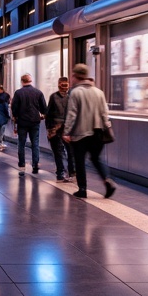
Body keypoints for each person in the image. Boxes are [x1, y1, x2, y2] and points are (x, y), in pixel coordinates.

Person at [63, 62, 117, 200]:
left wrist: (66, 131)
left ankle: (82, 189)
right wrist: (107, 127)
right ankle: (107, 180)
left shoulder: (75, 92)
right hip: (97, 133)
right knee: (96, 158)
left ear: (75, 76)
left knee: (79, 161)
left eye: (72, 76)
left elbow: (72, 114)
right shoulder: (99, 92)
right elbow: (105, 114)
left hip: (80, 134)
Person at [11, 73, 46, 174]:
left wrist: (16, 117)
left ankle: (22, 163)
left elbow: (14, 108)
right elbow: (44, 108)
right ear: (31, 81)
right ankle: (35, 164)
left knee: (21, 143)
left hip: (22, 122)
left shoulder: (18, 93)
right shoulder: (38, 92)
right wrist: (42, 115)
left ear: (22, 82)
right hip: (35, 121)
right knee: (35, 143)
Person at [45, 76, 76, 182]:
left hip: (55, 128)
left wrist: (48, 128)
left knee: (58, 152)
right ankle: (72, 172)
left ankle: (60, 174)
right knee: (70, 151)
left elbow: (48, 114)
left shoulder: (53, 97)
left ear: (58, 84)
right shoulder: (71, 97)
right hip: (67, 129)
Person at [0, 85, 12, 151]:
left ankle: (0, 143)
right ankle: (0, 144)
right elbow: (6, 108)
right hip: (3, 116)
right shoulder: (5, 99)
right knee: (2, 130)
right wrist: (8, 116)